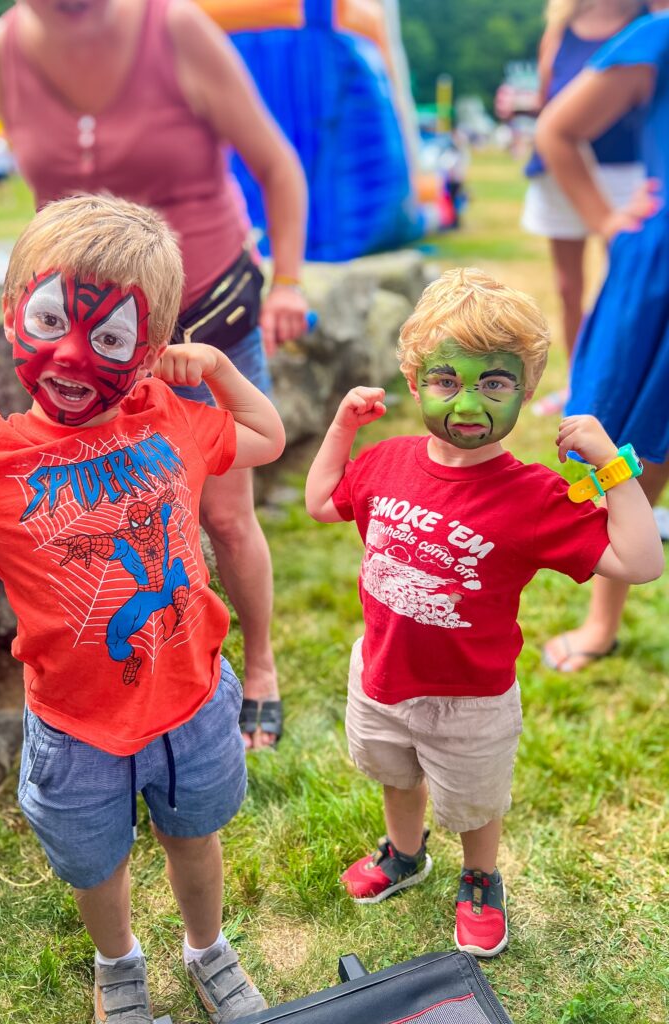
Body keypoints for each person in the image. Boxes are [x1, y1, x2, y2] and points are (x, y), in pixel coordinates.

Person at [0, 193, 286, 1023]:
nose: (74, 356)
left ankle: (207, 948)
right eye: (51, 319)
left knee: (195, 835)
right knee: (94, 861)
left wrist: (219, 369)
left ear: (148, 351)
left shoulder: (175, 419)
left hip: (190, 700)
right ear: (12, 315)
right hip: (76, 729)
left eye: (109, 338)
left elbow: (266, 438)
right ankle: (120, 964)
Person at [0, 0, 309, 749]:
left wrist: (287, 280)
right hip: (78, 351)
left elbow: (277, 164)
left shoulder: (177, 29)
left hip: (205, 319)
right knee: (98, 506)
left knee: (224, 513)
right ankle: (111, 679)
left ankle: (258, 670)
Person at [304, 268, 663, 957]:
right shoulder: (386, 462)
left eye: (493, 383)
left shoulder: (534, 498)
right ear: (415, 382)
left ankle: (479, 877)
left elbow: (641, 562)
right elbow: (323, 502)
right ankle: (405, 855)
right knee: (395, 774)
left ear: (526, 392)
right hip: (381, 673)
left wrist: (613, 467)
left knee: (473, 803)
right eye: (447, 380)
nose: (468, 401)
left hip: (471, 698)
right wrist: (343, 428)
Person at [536, 8, 669, 672]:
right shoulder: (658, 37)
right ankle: (601, 623)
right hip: (661, 276)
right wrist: (607, 223)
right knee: (640, 447)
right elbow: (557, 129)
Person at [522, 0, 647, 416]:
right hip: (562, 169)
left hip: (624, 170)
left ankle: (621, 384)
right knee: (567, 286)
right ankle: (579, 389)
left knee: (628, 285)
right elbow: (547, 100)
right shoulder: (561, 26)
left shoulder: (647, 22)